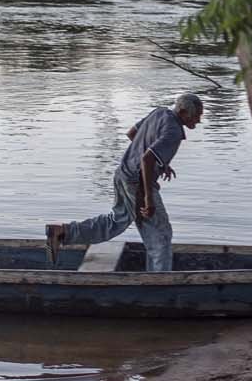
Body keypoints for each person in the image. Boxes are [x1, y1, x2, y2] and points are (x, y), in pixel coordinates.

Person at [46, 93, 203, 273]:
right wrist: (148, 200)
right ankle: (159, 280)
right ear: (183, 112)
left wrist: (161, 162)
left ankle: (62, 232)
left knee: (115, 222)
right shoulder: (173, 131)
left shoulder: (159, 113)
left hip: (123, 174)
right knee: (161, 235)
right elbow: (146, 159)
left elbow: (132, 134)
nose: (198, 121)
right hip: (136, 183)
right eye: (197, 115)